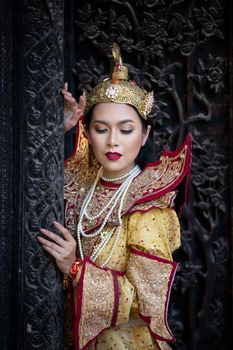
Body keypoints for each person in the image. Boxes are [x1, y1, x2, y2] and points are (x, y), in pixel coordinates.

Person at [38, 43, 191, 350]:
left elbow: (143, 302)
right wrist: (59, 129)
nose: (112, 141)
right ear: (87, 132)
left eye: (125, 130)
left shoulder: (147, 207)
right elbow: (29, 178)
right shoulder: (77, 180)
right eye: (100, 129)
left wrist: (76, 268)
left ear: (144, 135)